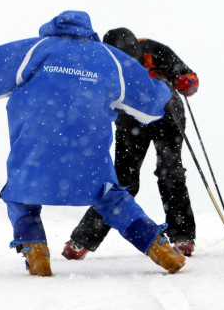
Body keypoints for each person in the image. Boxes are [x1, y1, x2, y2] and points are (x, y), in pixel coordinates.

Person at [0, 11, 186, 276]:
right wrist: (165, 89)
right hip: (88, 150)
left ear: (54, 27)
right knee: (112, 199)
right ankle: (160, 248)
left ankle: (36, 250)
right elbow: (151, 105)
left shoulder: (34, 49)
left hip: (35, 149)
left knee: (19, 193)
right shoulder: (109, 58)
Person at [62, 28, 199, 260]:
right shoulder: (103, 61)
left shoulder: (154, 50)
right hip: (131, 118)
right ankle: (82, 240)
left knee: (170, 171)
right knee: (122, 180)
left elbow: (190, 80)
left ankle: (182, 235)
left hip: (168, 114)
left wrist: (185, 82)